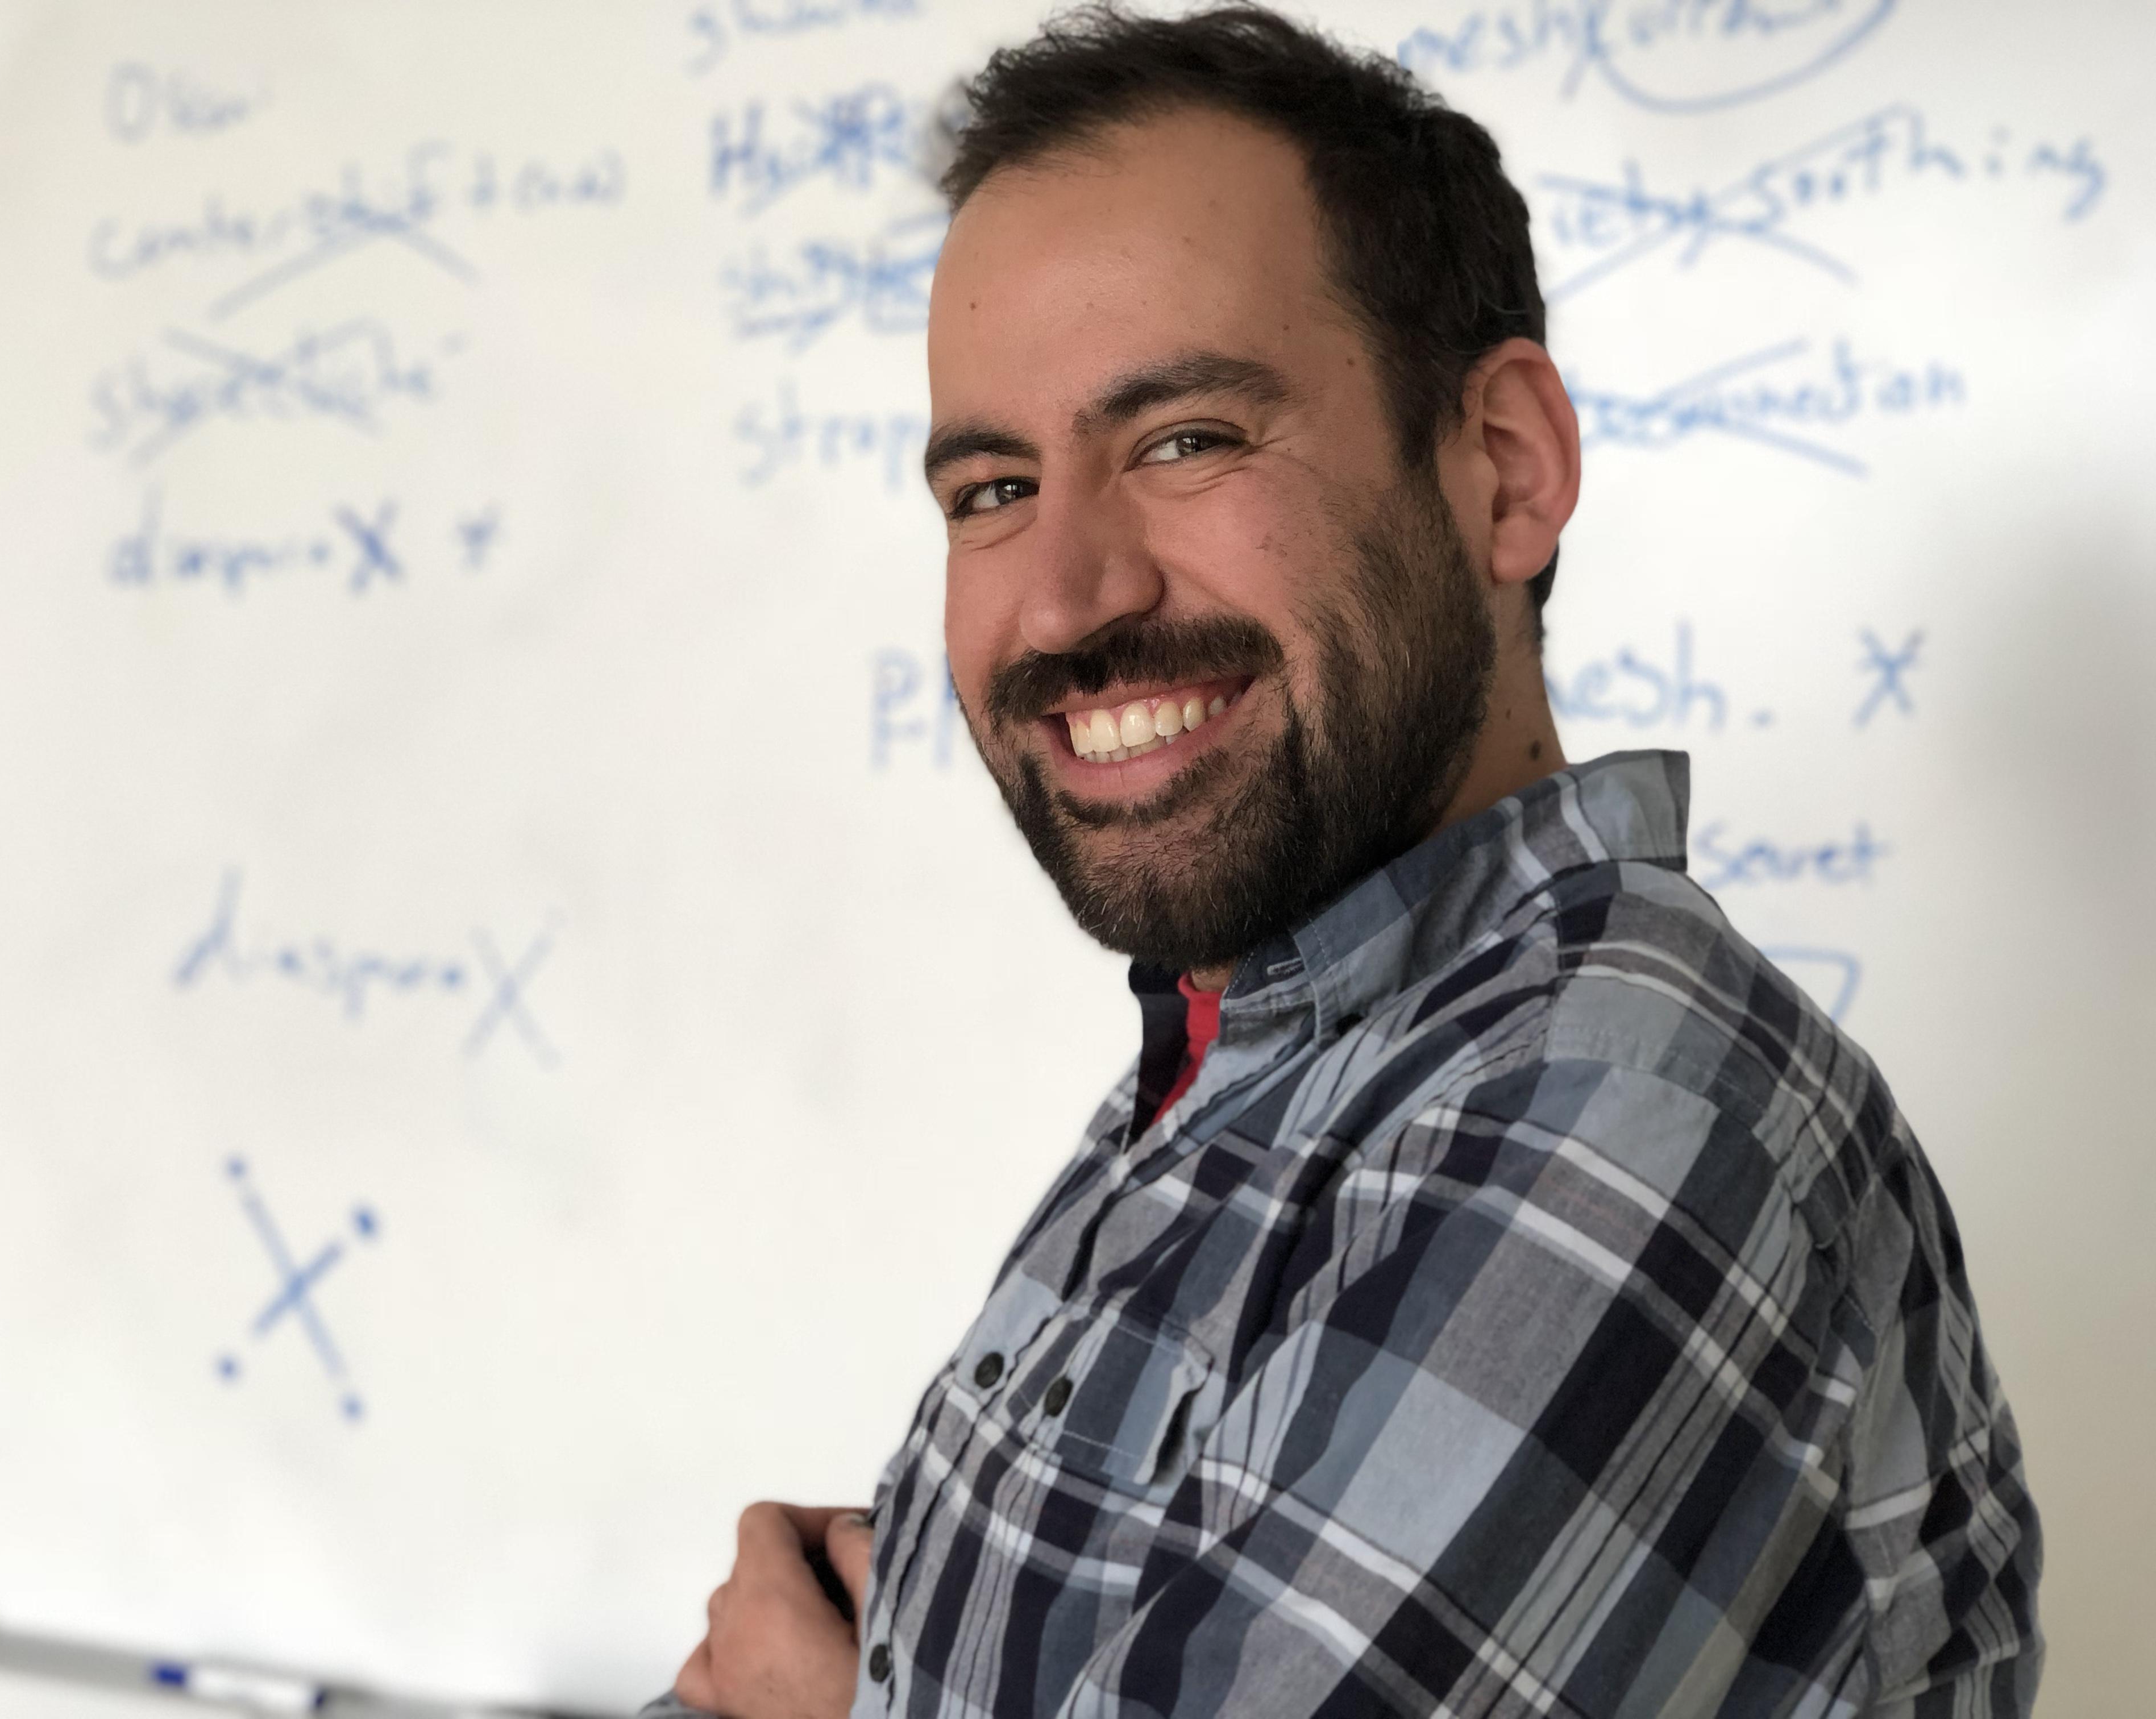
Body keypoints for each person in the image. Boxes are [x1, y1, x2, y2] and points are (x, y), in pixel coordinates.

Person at [655, 7, 2042, 1716]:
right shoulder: (1243, 1075)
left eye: (1185, 441)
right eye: (995, 486)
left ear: (1505, 473)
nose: (1068, 593)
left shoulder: (1623, 1104)